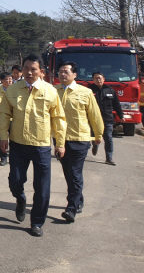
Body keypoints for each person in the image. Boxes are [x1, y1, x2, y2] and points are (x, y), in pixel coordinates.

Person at [0, 54, 67, 237]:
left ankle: (37, 222)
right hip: (18, 144)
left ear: (41, 72)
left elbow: (58, 118)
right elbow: (4, 114)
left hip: (41, 145)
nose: (29, 72)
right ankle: (20, 199)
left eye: (33, 69)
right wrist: (3, 136)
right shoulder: (13, 90)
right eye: (26, 68)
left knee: (42, 187)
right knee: (15, 181)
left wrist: (60, 143)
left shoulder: (50, 91)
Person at [55, 62, 103, 223]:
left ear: (75, 74)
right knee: (69, 173)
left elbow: (94, 115)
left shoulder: (85, 92)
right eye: (60, 71)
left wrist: (98, 133)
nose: (63, 74)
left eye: (66, 72)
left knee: (75, 173)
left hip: (80, 139)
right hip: (61, 140)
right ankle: (78, 199)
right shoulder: (54, 91)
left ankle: (71, 208)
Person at [89, 71, 124, 166]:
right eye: (96, 78)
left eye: (100, 78)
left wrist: (121, 116)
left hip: (107, 119)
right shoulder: (89, 90)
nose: (98, 79)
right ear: (93, 80)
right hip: (94, 120)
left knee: (108, 138)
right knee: (95, 136)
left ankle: (109, 158)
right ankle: (95, 145)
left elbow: (116, 104)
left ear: (104, 79)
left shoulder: (110, 90)